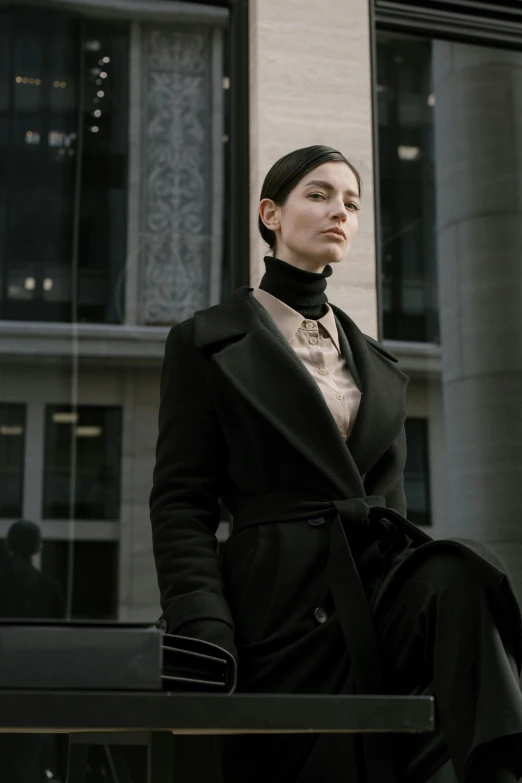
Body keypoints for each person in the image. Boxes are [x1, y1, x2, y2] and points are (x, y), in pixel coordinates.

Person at [149, 145, 522, 783]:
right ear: (271, 213)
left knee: (460, 572)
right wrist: (201, 617)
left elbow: (392, 509)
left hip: (370, 592)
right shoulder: (206, 342)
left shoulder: (378, 365)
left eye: (351, 202)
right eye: (318, 195)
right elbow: (182, 502)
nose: (339, 212)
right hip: (274, 606)